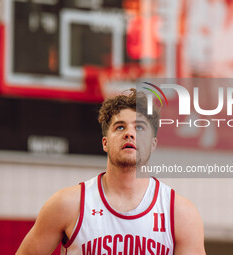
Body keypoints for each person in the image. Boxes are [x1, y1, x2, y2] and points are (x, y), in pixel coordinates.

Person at [16, 89, 205, 255]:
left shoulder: (179, 213)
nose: (129, 133)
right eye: (120, 127)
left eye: (139, 127)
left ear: (153, 144)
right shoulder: (68, 204)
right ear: (105, 142)